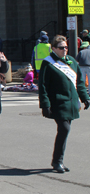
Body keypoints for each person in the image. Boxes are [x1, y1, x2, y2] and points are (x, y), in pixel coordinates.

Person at [38, 35, 90, 173]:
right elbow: (42, 85)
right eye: (61, 48)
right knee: (64, 129)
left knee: (65, 131)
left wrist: (85, 98)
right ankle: (57, 161)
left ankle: (58, 161)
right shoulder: (48, 63)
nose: (65, 50)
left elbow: (79, 82)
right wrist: (45, 104)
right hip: (58, 102)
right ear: (54, 48)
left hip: (71, 101)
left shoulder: (71, 61)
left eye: (66, 47)